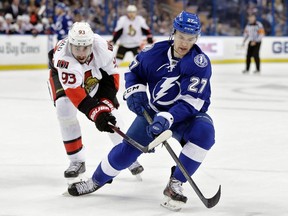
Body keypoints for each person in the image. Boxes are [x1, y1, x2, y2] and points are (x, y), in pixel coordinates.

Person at [67, 12, 216, 212]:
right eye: (181, 36)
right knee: (127, 151)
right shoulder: (153, 53)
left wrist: (168, 118)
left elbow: (191, 101)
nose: (184, 43)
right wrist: (135, 92)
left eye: (190, 39)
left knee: (205, 133)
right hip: (153, 112)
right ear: (173, 33)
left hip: (187, 116)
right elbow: (134, 73)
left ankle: (175, 183)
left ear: (197, 38)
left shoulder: (200, 63)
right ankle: (95, 181)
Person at [47, 22, 144, 184]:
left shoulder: (103, 48)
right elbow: (75, 93)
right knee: (65, 109)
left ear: (92, 44)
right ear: (70, 44)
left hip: (92, 72)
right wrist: (96, 112)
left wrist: (104, 105)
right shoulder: (64, 58)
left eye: (85, 47)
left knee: (110, 110)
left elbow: (111, 77)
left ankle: (126, 153)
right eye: (77, 48)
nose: (81, 53)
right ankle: (76, 160)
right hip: (61, 75)